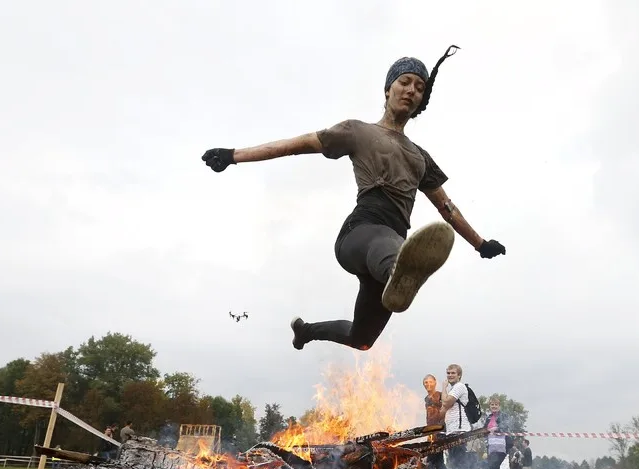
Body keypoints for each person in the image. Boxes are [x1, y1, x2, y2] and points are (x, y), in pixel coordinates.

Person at [202, 46, 506, 352]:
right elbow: (297, 144)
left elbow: (447, 208)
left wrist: (480, 244)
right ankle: (397, 272)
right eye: (405, 82)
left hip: (394, 242)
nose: (411, 90)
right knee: (389, 249)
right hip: (361, 233)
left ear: (421, 101)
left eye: (420, 87)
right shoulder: (357, 131)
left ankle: (307, 331)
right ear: (388, 89)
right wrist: (233, 155)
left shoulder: (421, 157)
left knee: (362, 340)